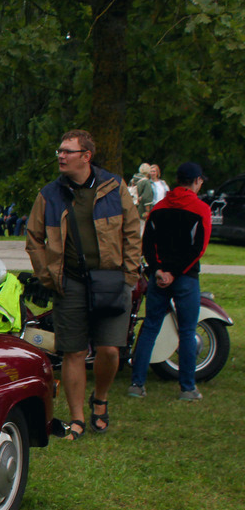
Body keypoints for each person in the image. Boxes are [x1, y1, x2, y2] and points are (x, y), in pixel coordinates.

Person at [25, 129, 141, 439]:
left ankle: (100, 399)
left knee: (110, 350)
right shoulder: (49, 194)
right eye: (59, 151)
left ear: (86, 156)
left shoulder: (114, 187)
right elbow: (34, 237)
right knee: (73, 352)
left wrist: (128, 276)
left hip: (112, 281)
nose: (61, 156)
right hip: (70, 283)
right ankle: (76, 418)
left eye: (68, 151)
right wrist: (48, 275)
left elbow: (132, 232)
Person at [129, 162, 211, 401]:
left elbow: (147, 244)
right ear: (196, 181)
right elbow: (198, 248)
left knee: (150, 326)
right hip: (185, 277)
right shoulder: (201, 209)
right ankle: (187, 388)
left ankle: (137, 383)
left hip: (158, 276)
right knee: (186, 331)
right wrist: (175, 272)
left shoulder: (159, 207)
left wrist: (158, 269)